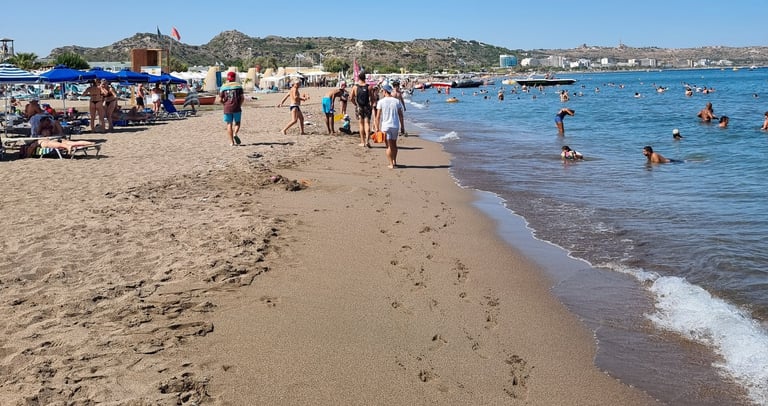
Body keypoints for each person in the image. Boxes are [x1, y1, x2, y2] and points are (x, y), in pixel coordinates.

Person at [375, 84, 405, 169]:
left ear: (385, 91)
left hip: (386, 126)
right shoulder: (396, 101)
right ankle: (394, 161)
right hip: (395, 125)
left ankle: (391, 163)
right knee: (394, 144)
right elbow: (401, 115)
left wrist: (377, 128)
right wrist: (402, 127)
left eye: (382, 91)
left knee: (388, 146)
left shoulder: (381, 102)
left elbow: (378, 117)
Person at [219, 71, 245, 146]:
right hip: (236, 107)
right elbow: (242, 98)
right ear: (235, 78)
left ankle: (231, 142)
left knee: (229, 124)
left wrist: (224, 104)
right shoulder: (238, 86)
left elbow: (220, 99)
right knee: (237, 122)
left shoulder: (223, 87)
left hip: (227, 108)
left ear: (227, 78)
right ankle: (235, 133)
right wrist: (239, 105)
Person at [350, 71, 374, 147]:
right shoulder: (369, 87)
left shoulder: (355, 87)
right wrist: (371, 105)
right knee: (367, 123)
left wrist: (355, 104)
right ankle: (367, 140)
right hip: (367, 106)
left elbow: (351, 98)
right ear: (365, 78)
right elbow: (373, 98)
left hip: (359, 107)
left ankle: (362, 142)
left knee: (361, 124)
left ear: (359, 78)